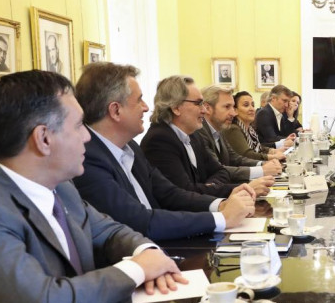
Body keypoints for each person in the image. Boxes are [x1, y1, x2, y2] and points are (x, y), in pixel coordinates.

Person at [0, 70, 185, 303]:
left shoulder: (62, 186)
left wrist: (148, 250)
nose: (87, 137)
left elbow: (108, 230)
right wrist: (138, 269)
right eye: (78, 126)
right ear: (43, 139)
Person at [73, 63, 256, 241]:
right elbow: (140, 221)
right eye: (139, 100)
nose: (145, 107)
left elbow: (170, 193)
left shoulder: (131, 147)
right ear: (115, 110)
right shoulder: (87, 159)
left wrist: (221, 204)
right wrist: (222, 218)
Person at [140, 75, 273, 198]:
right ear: (176, 108)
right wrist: (244, 189)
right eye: (198, 103)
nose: (203, 110)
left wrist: (210, 186)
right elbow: (184, 193)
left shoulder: (192, 135)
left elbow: (221, 171)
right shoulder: (159, 140)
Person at [196, 84, 282, 178]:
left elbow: (235, 158)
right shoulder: (200, 132)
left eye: (232, 107)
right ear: (207, 108)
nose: (233, 113)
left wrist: (263, 164)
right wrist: (261, 170)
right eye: (227, 107)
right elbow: (217, 169)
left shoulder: (219, 130)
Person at [223, 91, 287, 161]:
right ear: (235, 110)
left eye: (253, 105)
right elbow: (247, 154)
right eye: (246, 105)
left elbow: (258, 147)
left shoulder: (250, 129)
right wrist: (273, 157)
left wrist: (273, 151)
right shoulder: (233, 129)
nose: (252, 109)